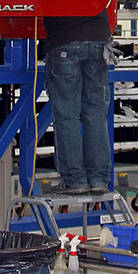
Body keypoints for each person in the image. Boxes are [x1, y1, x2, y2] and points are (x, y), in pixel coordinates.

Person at [43, 10, 113, 195]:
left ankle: (74, 180)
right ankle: (99, 179)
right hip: (99, 42)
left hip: (64, 40)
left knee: (67, 116)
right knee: (96, 115)